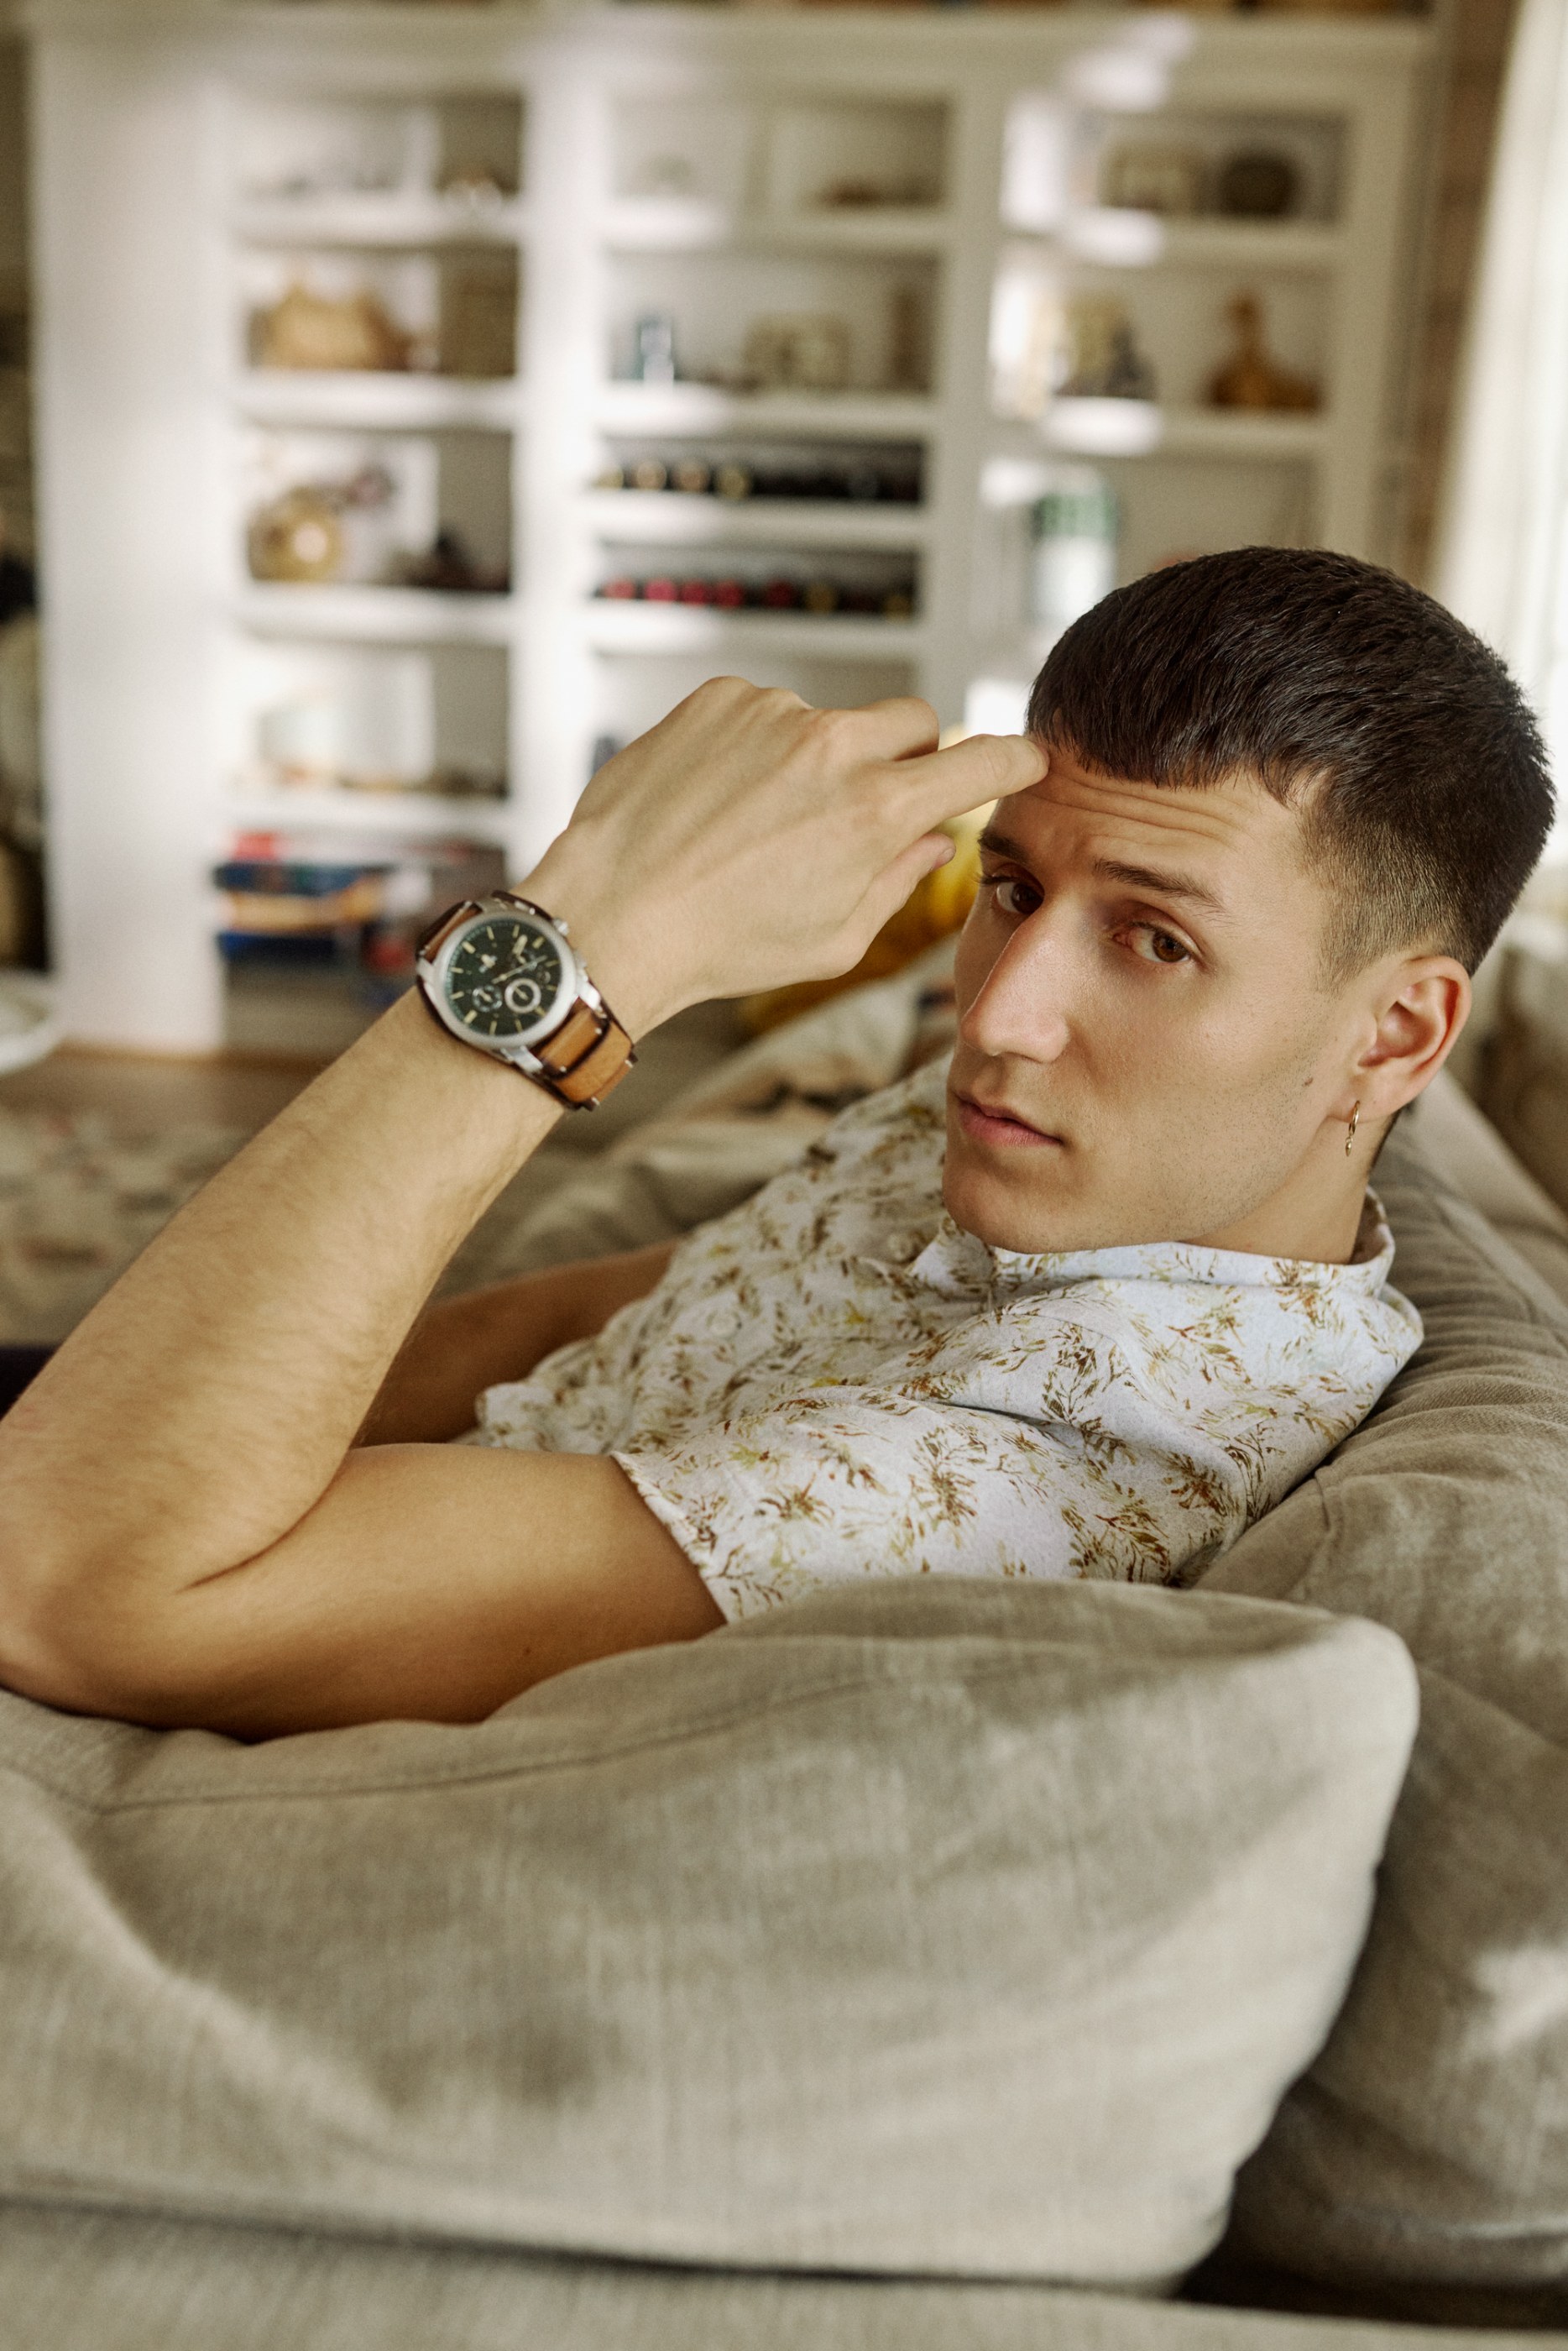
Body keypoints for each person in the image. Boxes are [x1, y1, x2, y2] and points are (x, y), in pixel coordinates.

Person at [0, 549, 1553, 1738]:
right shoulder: (1078, 1153)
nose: (1000, 1015)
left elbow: (58, 1574)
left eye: (1155, 942)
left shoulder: (1053, 1467)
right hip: (192, 1470)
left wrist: (596, 935)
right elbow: (587, 1314)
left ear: (1397, 1036)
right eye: (1014, 890)